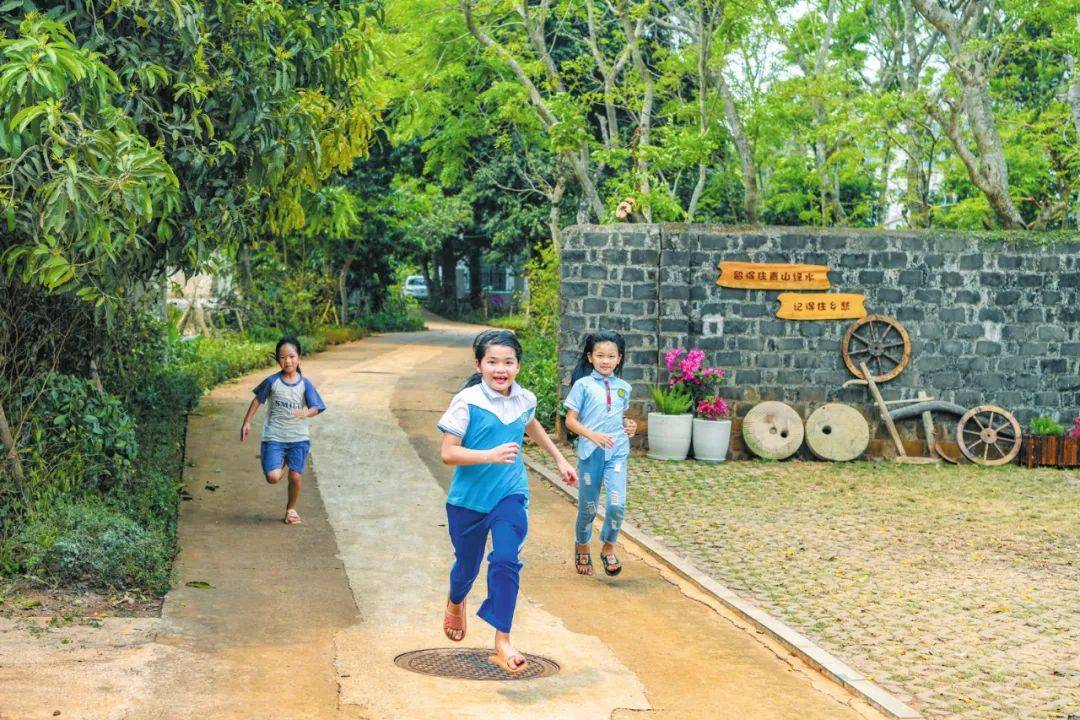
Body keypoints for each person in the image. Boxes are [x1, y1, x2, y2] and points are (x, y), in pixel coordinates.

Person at [437, 329, 577, 673]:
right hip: (467, 502)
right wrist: (489, 454)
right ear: (479, 364)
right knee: (466, 569)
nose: (501, 369)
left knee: (505, 560)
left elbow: (532, 426)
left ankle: (503, 640)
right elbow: (447, 453)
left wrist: (559, 459)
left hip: (510, 495)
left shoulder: (524, 398)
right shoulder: (467, 401)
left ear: (517, 366)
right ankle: (456, 599)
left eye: (508, 362)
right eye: (493, 362)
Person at [562, 331, 637, 577]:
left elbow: (620, 417)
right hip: (590, 452)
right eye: (600, 355)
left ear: (619, 359)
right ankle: (582, 544)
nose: (605, 360)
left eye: (611, 356)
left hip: (617, 452)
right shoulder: (582, 386)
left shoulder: (624, 388)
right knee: (589, 507)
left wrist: (630, 425)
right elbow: (570, 422)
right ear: (590, 357)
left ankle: (608, 547)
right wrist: (591, 435)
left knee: (617, 504)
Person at [240, 336, 326, 525]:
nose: (288, 361)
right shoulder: (272, 381)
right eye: (282, 357)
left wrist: (306, 413)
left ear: (299, 357)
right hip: (274, 438)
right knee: (273, 477)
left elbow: (317, 407)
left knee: (295, 476)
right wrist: (247, 422)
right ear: (278, 359)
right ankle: (283, 461)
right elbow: (257, 401)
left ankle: (291, 510)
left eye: (292, 356)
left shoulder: (305, 384)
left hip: (298, 439)